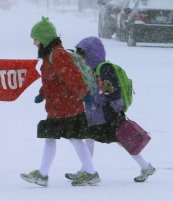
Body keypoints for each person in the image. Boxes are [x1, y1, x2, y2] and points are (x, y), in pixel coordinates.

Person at [20, 17, 101, 187]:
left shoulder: (58, 55)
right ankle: (42, 175)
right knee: (52, 138)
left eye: (35, 39)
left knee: (74, 139)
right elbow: (52, 80)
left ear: (43, 38)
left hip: (67, 106)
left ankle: (91, 174)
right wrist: (42, 94)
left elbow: (72, 77)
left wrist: (84, 94)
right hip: (58, 106)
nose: (34, 43)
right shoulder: (51, 55)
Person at [65, 36, 155, 182]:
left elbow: (111, 90)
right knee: (91, 137)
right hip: (97, 113)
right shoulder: (92, 69)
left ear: (91, 53)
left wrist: (116, 109)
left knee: (123, 139)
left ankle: (145, 166)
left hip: (107, 114)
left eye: (82, 53)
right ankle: (86, 170)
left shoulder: (103, 68)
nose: (80, 56)